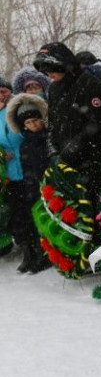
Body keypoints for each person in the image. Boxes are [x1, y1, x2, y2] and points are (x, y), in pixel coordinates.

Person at [33, 42, 101, 198]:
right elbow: (52, 124)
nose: (49, 74)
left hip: (88, 162)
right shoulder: (53, 89)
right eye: (45, 70)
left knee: (87, 209)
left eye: (51, 68)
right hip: (62, 162)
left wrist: (73, 149)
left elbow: (98, 123)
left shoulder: (89, 82)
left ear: (63, 63)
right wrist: (53, 152)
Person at [4, 93, 52, 273]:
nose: (34, 125)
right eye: (28, 123)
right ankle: (34, 254)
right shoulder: (25, 144)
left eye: (35, 120)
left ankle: (45, 255)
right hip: (31, 187)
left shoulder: (48, 138)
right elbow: (27, 167)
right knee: (31, 221)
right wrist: (30, 187)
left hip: (48, 185)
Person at [0, 75, 23, 258]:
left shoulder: (18, 108)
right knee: (12, 210)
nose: (0, 96)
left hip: (26, 168)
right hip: (6, 173)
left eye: (3, 91)